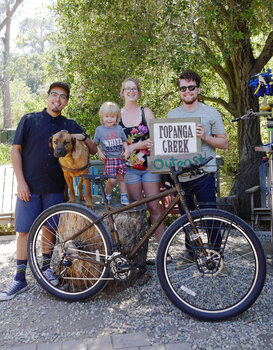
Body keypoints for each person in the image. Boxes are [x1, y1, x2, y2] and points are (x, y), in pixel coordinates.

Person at [0, 82, 97, 301]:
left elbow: (93, 149)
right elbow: (15, 151)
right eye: (54, 95)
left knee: (49, 229)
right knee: (24, 231)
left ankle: (45, 269)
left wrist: (82, 136)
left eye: (63, 96)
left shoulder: (69, 124)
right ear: (47, 96)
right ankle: (19, 278)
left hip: (55, 186)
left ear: (67, 101)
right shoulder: (29, 120)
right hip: (30, 186)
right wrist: (21, 182)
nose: (58, 99)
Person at [167, 69, 228, 254]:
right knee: (187, 219)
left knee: (211, 217)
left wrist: (206, 137)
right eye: (183, 88)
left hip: (204, 173)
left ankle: (216, 253)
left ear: (198, 90)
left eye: (191, 87)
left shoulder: (211, 113)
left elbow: (224, 143)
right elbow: (168, 146)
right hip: (180, 175)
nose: (187, 91)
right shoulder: (171, 115)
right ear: (179, 91)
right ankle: (192, 252)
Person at [119, 78, 165, 245]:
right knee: (137, 211)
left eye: (135, 88)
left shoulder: (146, 112)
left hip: (149, 168)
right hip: (129, 170)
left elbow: (156, 139)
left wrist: (133, 146)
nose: (131, 91)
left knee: (154, 208)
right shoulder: (116, 115)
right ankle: (139, 252)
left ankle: (162, 248)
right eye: (128, 88)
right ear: (122, 92)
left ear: (138, 92)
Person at [93, 101, 130, 205]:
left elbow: (124, 141)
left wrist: (126, 150)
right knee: (112, 180)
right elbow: (95, 144)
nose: (109, 119)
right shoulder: (100, 130)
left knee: (121, 178)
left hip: (120, 158)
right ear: (102, 117)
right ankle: (107, 196)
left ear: (117, 117)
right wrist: (99, 152)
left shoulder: (119, 128)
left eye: (113, 117)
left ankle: (124, 196)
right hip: (109, 159)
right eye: (107, 116)